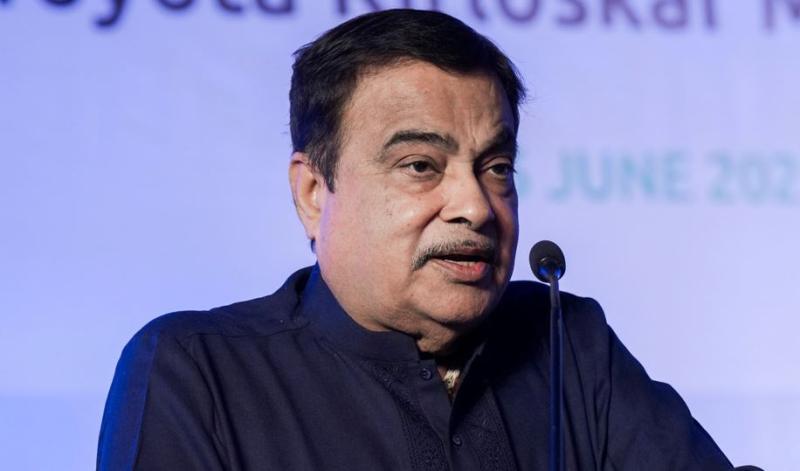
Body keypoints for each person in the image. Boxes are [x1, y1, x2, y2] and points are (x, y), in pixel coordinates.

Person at [97, 9, 734, 470]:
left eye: (497, 168)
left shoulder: (569, 341)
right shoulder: (198, 370)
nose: (476, 207)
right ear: (314, 192)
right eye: (421, 165)